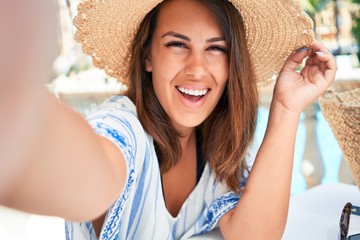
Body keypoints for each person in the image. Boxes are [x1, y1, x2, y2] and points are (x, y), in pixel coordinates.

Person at [0, 0, 337, 239]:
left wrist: (286, 108)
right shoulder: (125, 130)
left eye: (216, 48)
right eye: (177, 44)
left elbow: (255, 234)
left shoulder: (215, 145)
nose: (197, 68)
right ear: (148, 56)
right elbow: (81, 170)